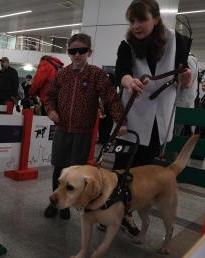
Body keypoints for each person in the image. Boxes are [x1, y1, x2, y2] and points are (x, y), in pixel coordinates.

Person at [114, 0, 192, 236]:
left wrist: (186, 78)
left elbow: (184, 74)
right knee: (121, 170)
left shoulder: (178, 42)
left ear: (156, 19)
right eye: (132, 20)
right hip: (132, 117)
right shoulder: (127, 44)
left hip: (160, 119)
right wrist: (129, 81)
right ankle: (116, 211)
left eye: (142, 19)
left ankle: (130, 210)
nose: (136, 25)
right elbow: (122, 71)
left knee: (145, 173)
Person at [43, 33, 125, 220]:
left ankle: (65, 206)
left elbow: (110, 98)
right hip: (62, 130)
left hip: (83, 134)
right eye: (73, 51)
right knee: (59, 170)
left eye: (81, 51)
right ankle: (54, 204)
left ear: (89, 52)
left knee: (75, 173)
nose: (77, 55)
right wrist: (51, 111)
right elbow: (49, 97)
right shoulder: (61, 75)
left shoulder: (96, 74)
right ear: (68, 53)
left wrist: (120, 121)